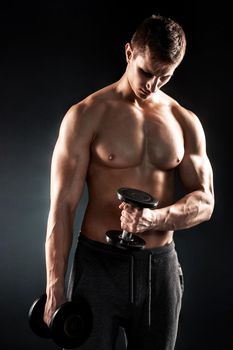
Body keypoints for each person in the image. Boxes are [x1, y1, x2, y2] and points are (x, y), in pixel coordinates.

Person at [43, 14, 214, 350]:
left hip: (159, 269)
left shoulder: (184, 121)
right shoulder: (87, 114)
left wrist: (154, 219)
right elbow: (62, 207)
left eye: (164, 77)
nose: (152, 84)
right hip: (99, 267)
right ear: (128, 53)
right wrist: (55, 287)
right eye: (147, 72)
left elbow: (205, 202)